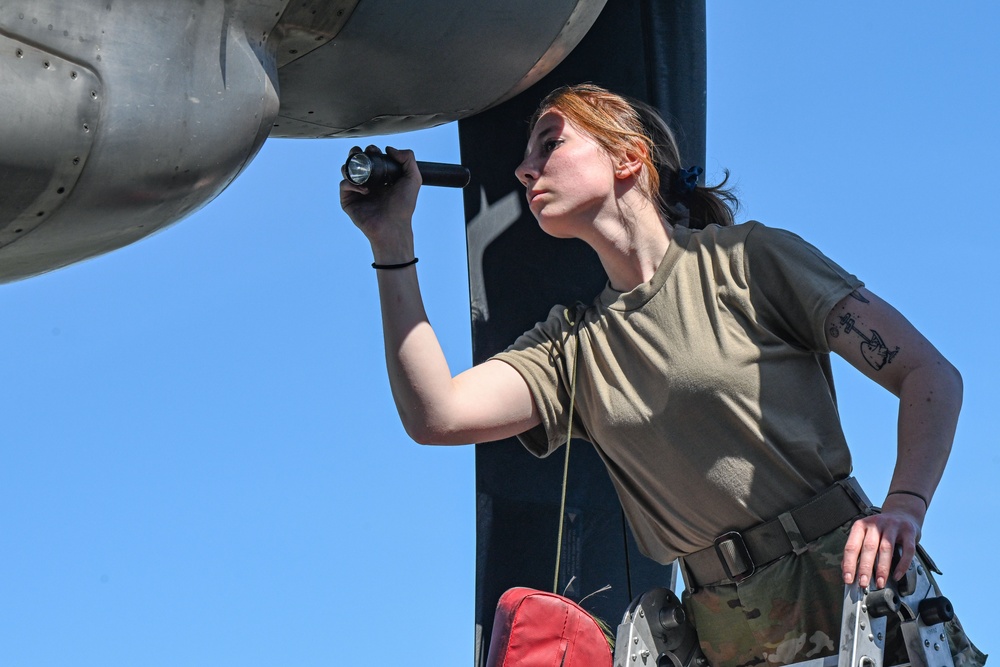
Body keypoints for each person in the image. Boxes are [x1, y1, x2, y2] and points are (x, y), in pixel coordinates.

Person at [339, 84, 985, 667]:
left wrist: (905, 504)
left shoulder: (750, 262)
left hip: (856, 615)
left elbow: (930, 374)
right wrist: (391, 241)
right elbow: (437, 412)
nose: (523, 167)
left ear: (627, 157)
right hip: (729, 641)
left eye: (550, 141)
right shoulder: (572, 348)